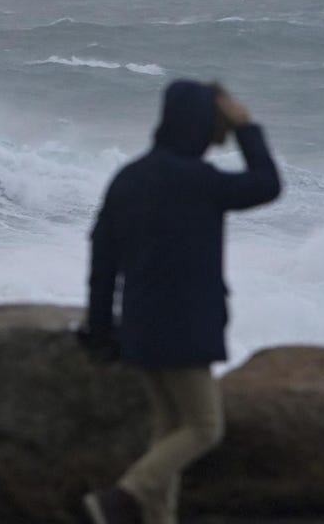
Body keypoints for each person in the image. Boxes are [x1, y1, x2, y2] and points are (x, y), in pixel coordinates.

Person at [79, 80, 281, 524]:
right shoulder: (200, 181)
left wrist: (99, 330)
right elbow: (267, 184)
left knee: (169, 431)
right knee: (206, 428)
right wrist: (246, 127)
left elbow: (102, 263)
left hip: (139, 329)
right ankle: (121, 497)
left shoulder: (128, 179)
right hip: (186, 332)